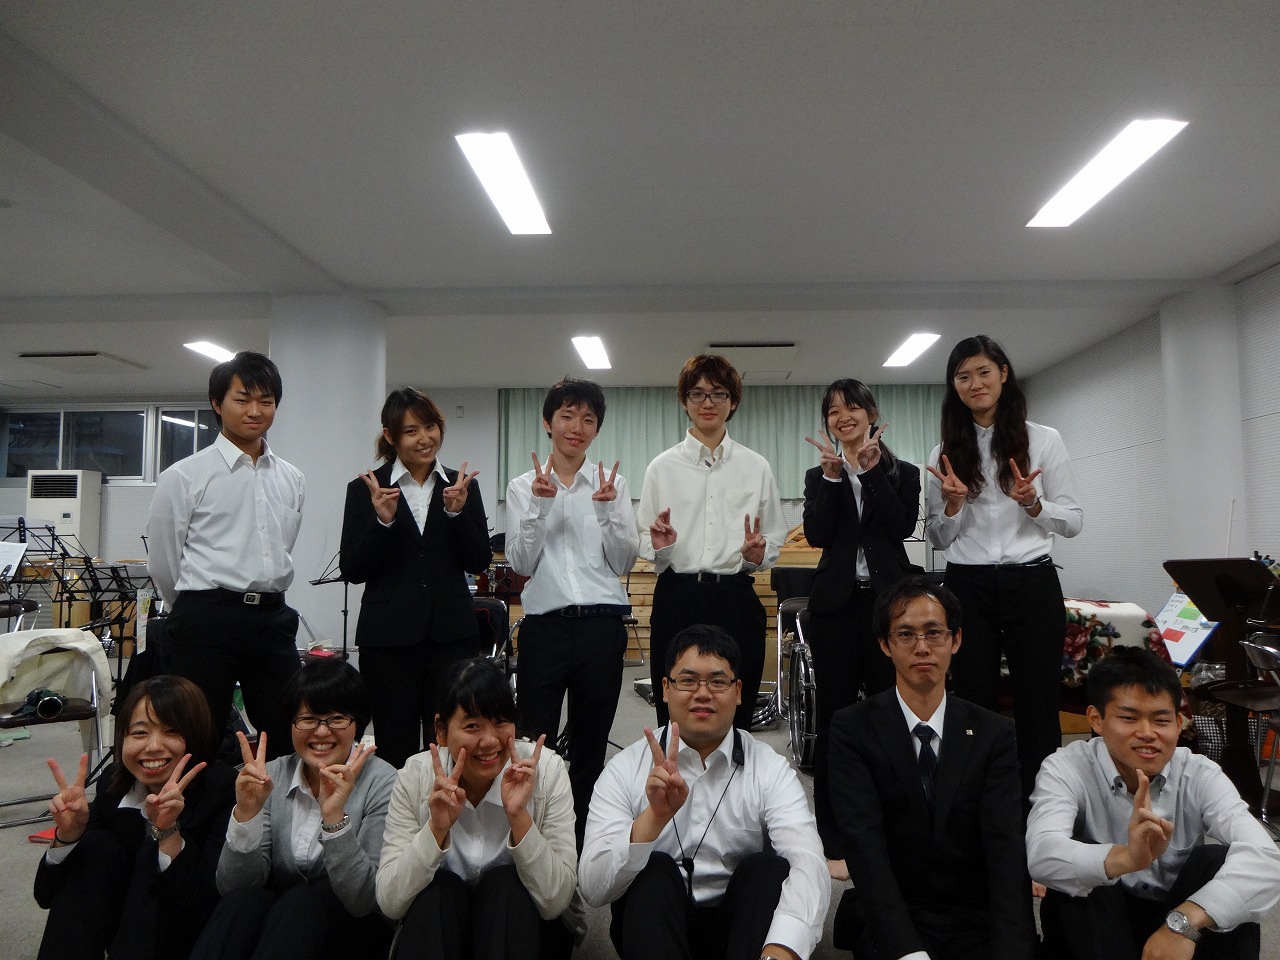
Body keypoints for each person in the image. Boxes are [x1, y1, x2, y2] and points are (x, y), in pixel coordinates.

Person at [580, 624, 828, 960]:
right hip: (658, 926)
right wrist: (653, 819)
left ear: (738, 691)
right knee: (651, 872)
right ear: (665, 688)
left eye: (717, 681)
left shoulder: (770, 768)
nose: (702, 693)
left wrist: (779, 952)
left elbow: (808, 862)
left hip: (743, 932)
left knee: (767, 871)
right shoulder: (625, 768)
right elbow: (592, 888)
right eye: (688, 680)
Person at [827, 575, 1036, 960]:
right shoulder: (852, 729)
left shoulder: (994, 733)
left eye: (934, 633)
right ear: (885, 644)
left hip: (972, 915)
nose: (922, 647)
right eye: (905, 634)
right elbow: (864, 846)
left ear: (955, 640)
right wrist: (907, 952)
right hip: (891, 914)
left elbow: (1005, 849)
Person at [1027, 647, 1280, 960]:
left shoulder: (1199, 773)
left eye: (1161, 720)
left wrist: (1185, 921)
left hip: (1176, 916)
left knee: (1217, 861)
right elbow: (1042, 853)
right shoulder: (1066, 767)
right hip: (1098, 925)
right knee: (1084, 868)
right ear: (1096, 719)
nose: (1147, 733)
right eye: (1129, 718)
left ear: (1178, 723)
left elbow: (1267, 858)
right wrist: (1126, 858)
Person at [925, 334, 1083, 801]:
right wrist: (952, 506)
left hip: (1031, 581)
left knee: (1038, 700)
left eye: (983, 372)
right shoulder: (943, 452)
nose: (975, 383)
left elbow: (1074, 521)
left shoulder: (1044, 440)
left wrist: (1034, 503)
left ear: (1004, 374)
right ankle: (981, 803)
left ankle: (1043, 805)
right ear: (954, 385)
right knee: (972, 701)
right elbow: (937, 538)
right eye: (963, 376)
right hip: (967, 586)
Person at [147, 350, 304, 759]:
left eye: (266, 401)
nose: (255, 411)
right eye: (242, 399)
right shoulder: (184, 476)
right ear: (217, 404)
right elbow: (163, 560)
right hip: (206, 619)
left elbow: (282, 547)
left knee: (288, 730)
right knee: (196, 733)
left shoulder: (291, 478)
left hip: (271, 618)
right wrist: (192, 608)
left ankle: (279, 801)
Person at [504, 377, 639, 850]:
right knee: (533, 742)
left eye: (587, 419)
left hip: (602, 625)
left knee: (590, 743)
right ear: (548, 423)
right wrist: (540, 508)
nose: (576, 427)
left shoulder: (613, 484)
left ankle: (581, 844)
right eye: (567, 416)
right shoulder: (522, 486)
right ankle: (534, 838)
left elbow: (623, 562)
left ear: (596, 429)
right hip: (545, 628)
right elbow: (520, 563)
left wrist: (607, 513)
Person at [191, 658, 398, 960]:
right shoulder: (270, 775)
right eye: (308, 719)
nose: (322, 732)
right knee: (242, 904)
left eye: (337, 719)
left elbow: (363, 900)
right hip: (284, 928)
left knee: (303, 901)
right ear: (290, 724)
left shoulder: (383, 781)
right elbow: (233, 887)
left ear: (358, 723)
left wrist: (335, 820)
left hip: (354, 931)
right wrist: (246, 815)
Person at [375, 657, 577, 960]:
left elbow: (556, 902)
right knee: (437, 892)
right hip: (442, 930)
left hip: (521, 929)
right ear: (441, 731)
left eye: (501, 722)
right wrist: (435, 830)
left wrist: (520, 817)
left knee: (506, 886)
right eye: (472, 726)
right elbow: (391, 902)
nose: (490, 741)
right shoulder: (415, 776)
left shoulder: (546, 770)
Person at [802, 378, 920, 878]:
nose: (843, 416)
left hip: (888, 609)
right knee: (834, 715)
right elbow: (816, 535)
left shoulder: (903, 472)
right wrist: (834, 481)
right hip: (836, 609)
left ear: (871, 413)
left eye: (852, 407)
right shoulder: (819, 474)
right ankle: (832, 832)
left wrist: (870, 473)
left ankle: (892, 822)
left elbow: (900, 526)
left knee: (890, 712)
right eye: (833, 411)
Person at [340, 387, 492, 769]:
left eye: (430, 427)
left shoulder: (461, 486)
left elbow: (478, 560)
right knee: (394, 745)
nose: (424, 438)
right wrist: (381, 523)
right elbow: (352, 569)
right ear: (390, 436)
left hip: (451, 638)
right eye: (411, 431)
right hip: (388, 642)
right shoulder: (366, 489)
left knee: (450, 743)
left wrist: (457, 514)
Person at [34, 675, 235, 960]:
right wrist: (68, 836)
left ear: (196, 735)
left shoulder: (220, 789)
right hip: (122, 925)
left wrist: (168, 833)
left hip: (184, 938)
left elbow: (200, 911)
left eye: (171, 731)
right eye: (139, 733)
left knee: (150, 854)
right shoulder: (113, 785)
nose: (153, 746)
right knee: (98, 846)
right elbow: (46, 896)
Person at [637, 354, 787, 730]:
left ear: (732, 402)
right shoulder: (661, 468)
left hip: (735, 596)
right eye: (697, 394)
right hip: (677, 596)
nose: (708, 402)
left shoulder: (756, 467)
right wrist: (661, 546)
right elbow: (642, 536)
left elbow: (773, 535)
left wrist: (758, 554)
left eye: (719, 394)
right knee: (674, 707)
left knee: (737, 703)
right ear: (684, 401)